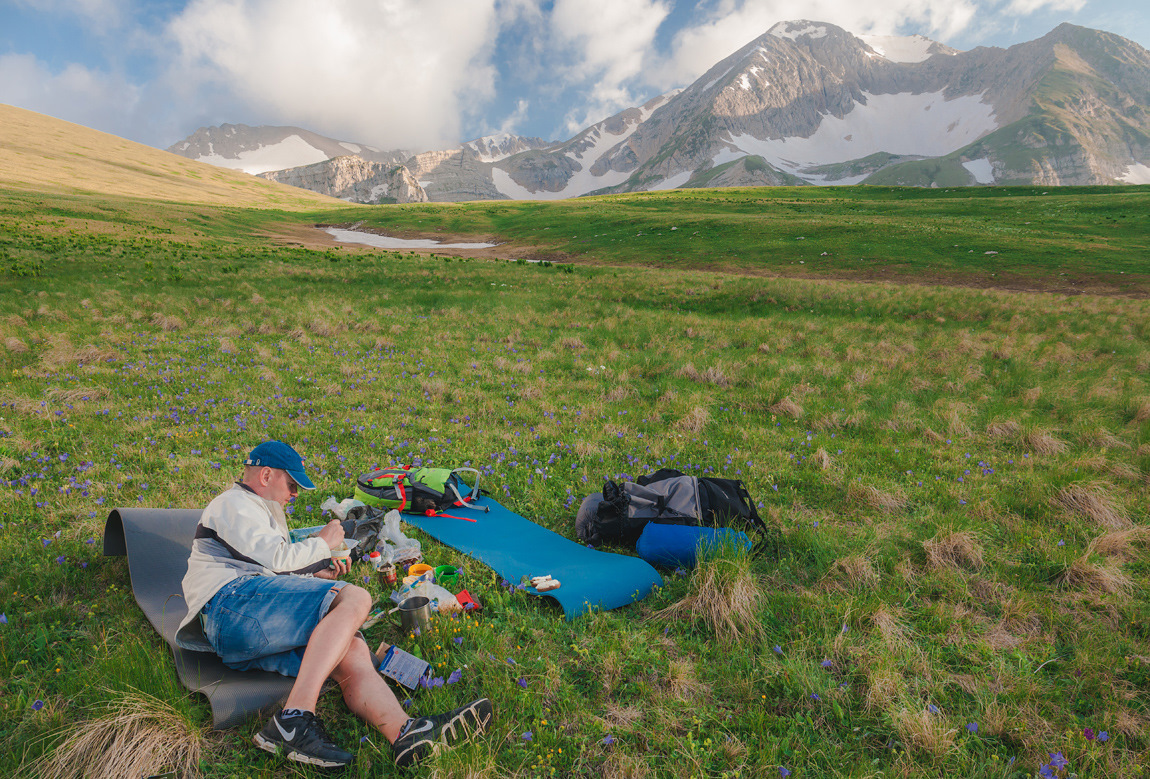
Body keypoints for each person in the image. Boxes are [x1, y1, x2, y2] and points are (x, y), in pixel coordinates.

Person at [175, 440, 493, 769]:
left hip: (246, 623)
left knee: (350, 649)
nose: (296, 493)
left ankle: (405, 733)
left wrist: (317, 576)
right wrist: (322, 543)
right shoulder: (235, 503)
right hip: (230, 606)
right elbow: (277, 562)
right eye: (292, 483)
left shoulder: (264, 514)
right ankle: (294, 719)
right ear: (267, 474)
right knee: (356, 596)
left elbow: (270, 573)